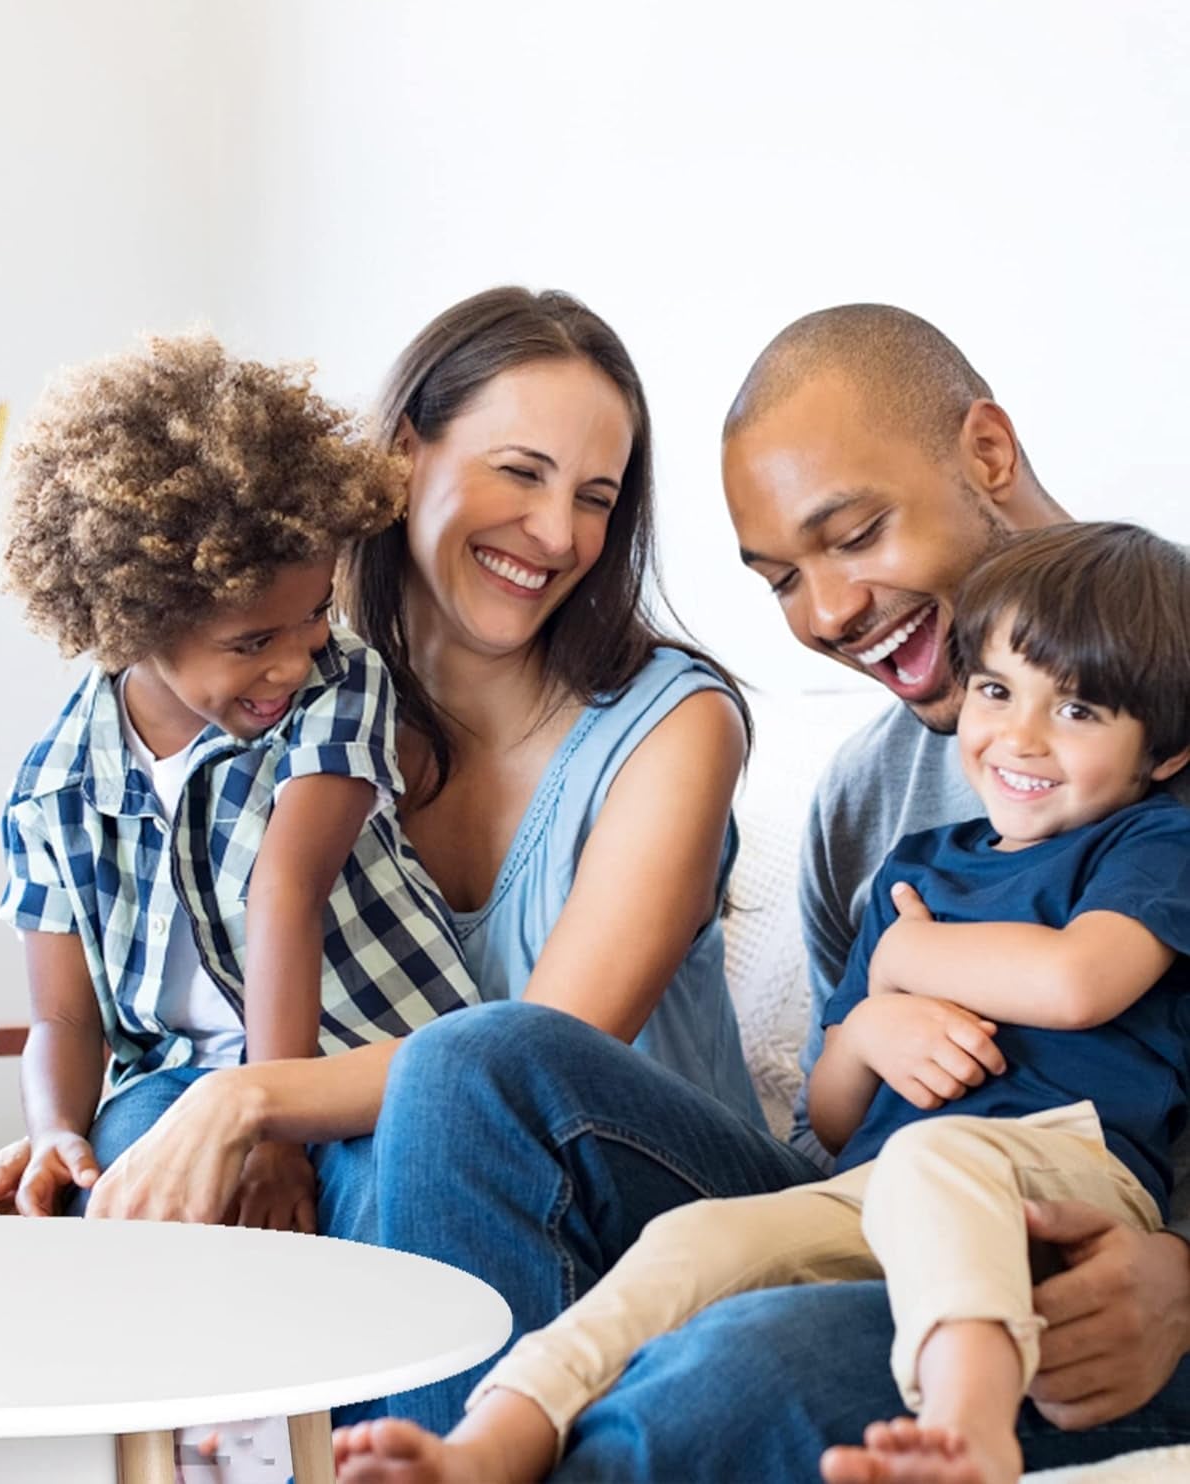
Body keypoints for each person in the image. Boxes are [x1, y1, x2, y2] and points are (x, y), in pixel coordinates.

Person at [335, 305, 1190, 1479]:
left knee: (738, 1366)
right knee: (469, 1062)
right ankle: (459, 1448)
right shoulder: (868, 800)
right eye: (784, 577)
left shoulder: (1163, 767)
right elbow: (837, 1130)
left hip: (1093, 1253)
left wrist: (1184, 1275)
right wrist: (870, 1021)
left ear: (986, 455)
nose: (829, 613)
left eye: (857, 533)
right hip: (880, 1203)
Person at [0, 288, 760, 1258]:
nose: (557, 534)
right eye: (521, 472)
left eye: (596, 498)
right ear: (405, 454)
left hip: (640, 1208)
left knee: (431, 1129)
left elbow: (527, 1065)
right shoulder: (275, 696)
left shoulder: (673, 726)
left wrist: (251, 1097)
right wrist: (80, 1150)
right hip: (410, 1165)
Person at [0, 331, 478, 1226]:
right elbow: (63, 1019)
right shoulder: (55, 789)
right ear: (134, 624)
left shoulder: (340, 683)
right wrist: (58, 1128)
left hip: (358, 1059)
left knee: (384, 1203)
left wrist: (276, 1137)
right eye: (254, 642)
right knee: (119, 1197)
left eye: (313, 616)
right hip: (179, 1076)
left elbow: (283, 892)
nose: (293, 662)